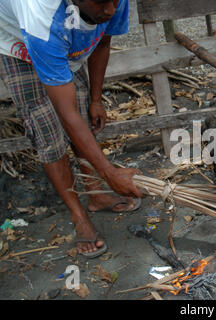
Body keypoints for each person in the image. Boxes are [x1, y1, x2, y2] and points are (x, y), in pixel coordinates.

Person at [0, 0, 143, 258]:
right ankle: (79, 216)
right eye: (102, 2)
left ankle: (95, 195)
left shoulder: (110, 3)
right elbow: (67, 115)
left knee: (82, 111)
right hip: (20, 45)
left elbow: (103, 42)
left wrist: (96, 99)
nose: (111, 10)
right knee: (49, 134)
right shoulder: (41, 17)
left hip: (63, 41)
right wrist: (110, 173)